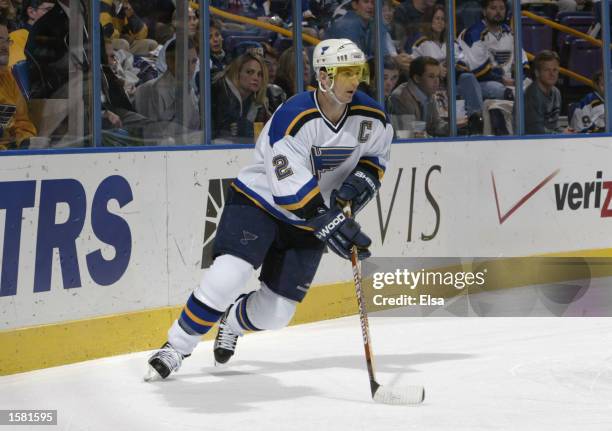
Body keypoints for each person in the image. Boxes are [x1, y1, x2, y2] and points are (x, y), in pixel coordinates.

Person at [145, 38, 393, 380]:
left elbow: (374, 160)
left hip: (310, 222)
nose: (354, 81)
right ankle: (176, 346)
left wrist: (352, 191)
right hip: (259, 203)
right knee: (227, 275)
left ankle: (232, 320)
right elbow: (288, 187)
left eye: (358, 72)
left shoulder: (372, 117)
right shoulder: (293, 116)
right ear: (323, 77)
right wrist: (331, 221)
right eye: (345, 73)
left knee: (277, 314)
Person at [459, 0, 529, 102]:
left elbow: (523, 63)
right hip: (481, 83)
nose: (498, 12)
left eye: (501, 8)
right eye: (493, 8)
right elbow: (477, 72)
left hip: (508, 82)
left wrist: (518, 79)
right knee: (499, 89)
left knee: (531, 87)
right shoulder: (473, 34)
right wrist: (502, 80)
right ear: (484, 11)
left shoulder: (510, 33)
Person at [134, 38, 200, 132]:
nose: (189, 68)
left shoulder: (189, 89)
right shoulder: (155, 90)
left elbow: (194, 126)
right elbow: (154, 136)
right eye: (184, 61)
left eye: (193, 62)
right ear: (169, 61)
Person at [210, 51, 271, 140]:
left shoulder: (258, 101)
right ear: (237, 72)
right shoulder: (218, 91)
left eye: (260, 74)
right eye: (249, 72)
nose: (256, 78)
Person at [387, 55, 447, 136]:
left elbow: (435, 125)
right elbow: (409, 136)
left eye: (438, 76)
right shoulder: (400, 98)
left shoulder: (428, 93)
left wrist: (452, 126)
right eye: (431, 76)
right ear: (417, 78)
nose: (437, 81)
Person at [0, 17, 36, 149]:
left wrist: (24, 141)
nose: (5, 46)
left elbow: (23, 123)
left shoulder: (8, 78)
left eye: (7, 41)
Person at [524, 50, 566, 135]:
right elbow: (535, 131)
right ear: (537, 73)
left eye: (555, 70)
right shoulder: (531, 95)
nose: (552, 74)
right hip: (530, 144)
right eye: (547, 70)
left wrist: (563, 131)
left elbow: (552, 126)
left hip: (549, 141)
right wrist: (561, 134)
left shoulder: (556, 93)